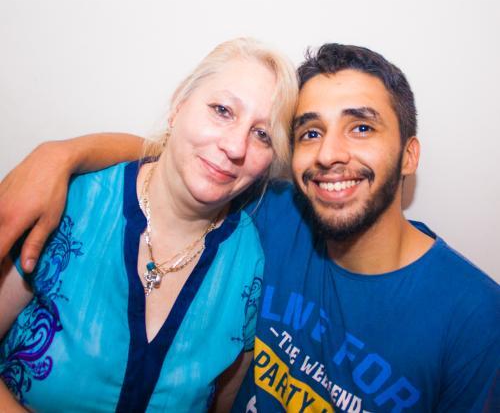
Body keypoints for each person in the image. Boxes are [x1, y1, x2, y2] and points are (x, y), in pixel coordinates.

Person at [1, 43, 499, 412]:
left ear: (409, 155)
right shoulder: (279, 216)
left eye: (362, 127)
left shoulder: (476, 319)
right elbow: (182, 161)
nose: (330, 154)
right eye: (311, 132)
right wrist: (61, 155)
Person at [0, 37, 299, 412]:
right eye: (222, 110)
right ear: (179, 106)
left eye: (262, 135)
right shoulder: (75, 203)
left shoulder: (249, 262)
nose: (236, 146)